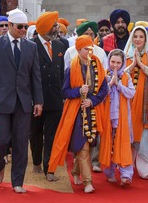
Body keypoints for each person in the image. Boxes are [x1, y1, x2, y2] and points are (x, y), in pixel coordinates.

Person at [0, 8, 43, 193]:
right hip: (1, 101)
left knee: (20, 143)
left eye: (26, 27)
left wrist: (38, 101)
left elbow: (35, 76)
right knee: (0, 140)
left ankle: (17, 181)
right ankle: (1, 163)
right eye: (20, 26)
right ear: (10, 25)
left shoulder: (31, 46)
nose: (23, 30)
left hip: (24, 101)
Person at [48, 35, 108, 193]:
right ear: (78, 50)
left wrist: (93, 101)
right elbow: (64, 91)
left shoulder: (98, 66)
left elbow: (104, 89)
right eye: (85, 48)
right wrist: (78, 91)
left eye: (90, 48)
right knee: (83, 147)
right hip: (76, 113)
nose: (89, 51)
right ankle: (88, 182)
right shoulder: (71, 68)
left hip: (93, 111)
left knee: (88, 145)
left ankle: (75, 171)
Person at [30, 11, 65, 182]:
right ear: (45, 28)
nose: (57, 28)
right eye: (54, 25)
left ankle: (49, 169)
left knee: (51, 134)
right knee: (35, 133)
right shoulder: (30, 45)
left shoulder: (60, 46)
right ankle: (36, 161)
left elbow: (61, 73)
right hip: (36, 99)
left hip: (56, 99)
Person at [124, 26, 148, 179]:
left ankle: (147, 170)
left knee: (146, 135)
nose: (138, 39)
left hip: (145, 102)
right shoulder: (125, 56)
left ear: (146, 40)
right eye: (135, 36)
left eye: (141, 37)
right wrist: (132, 65)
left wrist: (141, 65)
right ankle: (127, 167)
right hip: (128, 101)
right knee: (128, 133)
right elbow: (118, 74)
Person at [100, 49, 135, 186]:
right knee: (108, 143)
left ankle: (126, 175)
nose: (115, 65)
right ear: (109, 61)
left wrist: (118, 85)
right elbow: (100, 96)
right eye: (113, 62)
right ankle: (109, 172)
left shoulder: (126, 77)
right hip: (107, 116)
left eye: (118, 62)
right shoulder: (103, 75)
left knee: (123, 143)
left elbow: (131, 93)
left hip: (122, 117)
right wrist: (110, 84)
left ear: (123, 63)